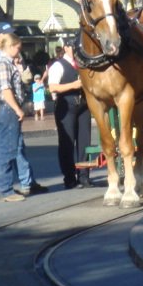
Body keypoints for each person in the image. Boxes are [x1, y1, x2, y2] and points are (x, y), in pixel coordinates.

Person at [0, 22, 47, 198]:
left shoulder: (11, 59)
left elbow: (24, 79)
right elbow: (0, 87)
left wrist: (20, 67)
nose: (19, 51)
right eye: (17, 48)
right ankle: (3, 187)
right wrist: (12, 106)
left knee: (16, 146)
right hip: (5, 106)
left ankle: (25, 182)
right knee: (3, 148)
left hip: (12, 105)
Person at [48, 39, 92, 189]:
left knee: (85, 141)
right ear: (66, 48)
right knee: (67, 143)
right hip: (66, 105)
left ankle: (84, 176)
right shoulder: (58, 65)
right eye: (74, 47)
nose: (76, 50)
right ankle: (69, 177)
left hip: (84, 105)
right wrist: (73, 85)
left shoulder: (83, 64)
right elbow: (52, 87)